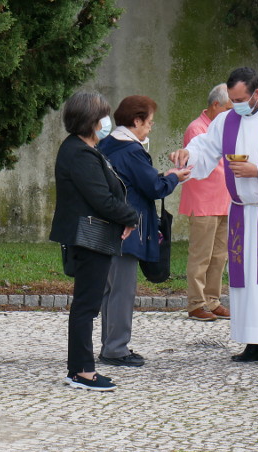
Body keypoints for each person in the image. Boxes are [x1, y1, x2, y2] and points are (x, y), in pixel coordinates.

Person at [169, 67, 258, 367]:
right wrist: (186, 155)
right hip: (242, 212)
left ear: (257, 93)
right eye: (231, 100)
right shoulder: (227, 120)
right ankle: (255, 343)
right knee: (245, 281)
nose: (235, 106)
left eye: (240, 99)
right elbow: (204, 149)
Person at [49, 92, 138, 391]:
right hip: (89, 238)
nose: (106, 122)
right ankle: (82, 372)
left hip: (93, 236)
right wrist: (131, 217)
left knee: (86, 305)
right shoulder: (79, 153)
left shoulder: (83, 149)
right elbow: (101, 198)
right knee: (86, 306)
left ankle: (81, 369)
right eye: (103, 116)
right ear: (90, 120)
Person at [98, 95, 191, 367]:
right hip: (128, 228)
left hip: (109, 225)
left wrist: (161, 176)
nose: (151, 127)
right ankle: (116, 349)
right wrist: (173, 177)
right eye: (149, 122)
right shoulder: (132, 150)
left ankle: (110, 344)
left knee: (109, 290)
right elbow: (153, 188)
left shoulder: (107, 144)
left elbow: (136, 181)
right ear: (136, 121)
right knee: (122, 291)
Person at [180, 84, 233, 322]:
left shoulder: (225, 128)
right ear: (215, 105)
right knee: (201, 255)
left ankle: (213, 299)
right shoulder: (197, 128)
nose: (232, 113)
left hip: (223, 200)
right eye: (228, 107)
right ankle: (196, 303)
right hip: (203, 202)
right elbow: (198, 163)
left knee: (219, 255)